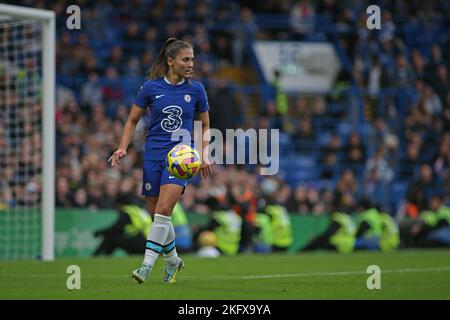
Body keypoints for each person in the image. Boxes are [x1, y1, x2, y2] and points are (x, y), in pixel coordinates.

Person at [108, 38, 212, 284]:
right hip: (153, 155)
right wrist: (122, 147)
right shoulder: (150, 88)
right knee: (156, 214)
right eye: (186, 59)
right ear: (170, 61)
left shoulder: (196, 89)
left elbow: (206, 125)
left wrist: (205, 153)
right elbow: (132, 121)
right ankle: (174, 261)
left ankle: (146, 266)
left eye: (192, 59)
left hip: (181, 158)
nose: (191, 64)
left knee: (165, 210)